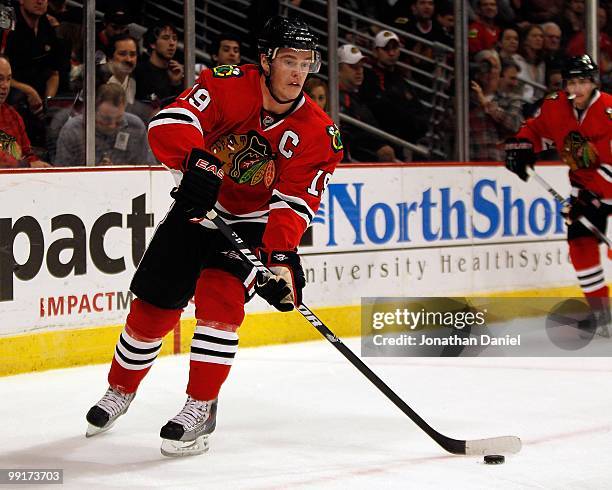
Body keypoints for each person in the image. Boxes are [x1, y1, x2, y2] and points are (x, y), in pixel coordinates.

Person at [85, 16, 343, 457]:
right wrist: (197, 164)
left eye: (306, 63)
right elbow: (170, 122)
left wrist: (280, 257)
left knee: (220, 302)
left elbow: (295, 200)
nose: (298, 73)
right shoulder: (226, 85)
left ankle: (201, 405)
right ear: (265, 60)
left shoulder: (319, 132)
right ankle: (120, 390)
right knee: (153, 307)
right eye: (288, 61)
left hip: (253, 223)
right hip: (197, 206)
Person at [505, 54, 612, 320]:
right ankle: (601, 313)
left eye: (582, 82)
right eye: (570, 83)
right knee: (579, 242)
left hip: (606, 187)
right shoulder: (555, 106)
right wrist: (522, 147)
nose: (575, 90)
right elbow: (534, 129)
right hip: (584, 191)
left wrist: (592, 199)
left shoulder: (610, 112)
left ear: (593, 82)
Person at [54, 83, 152, 166]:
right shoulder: (73, 130)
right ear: (93, 110)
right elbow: (61, 173)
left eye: (118, 120)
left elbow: (148, 168)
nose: (112, 125)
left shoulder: (135, 127)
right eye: (106, 119)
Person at [337, 43, 397, 162]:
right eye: (353, 67)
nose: (359, 71)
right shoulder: (331, 97)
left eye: (361, 66)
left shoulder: (356, 97)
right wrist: (377, 147)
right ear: (337, 69)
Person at [0, 54, 49, 167]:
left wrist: (37, 164)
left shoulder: (13, 115)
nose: (5, 86)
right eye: (0, 79)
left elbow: (27, 153)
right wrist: (28, 165)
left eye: (8, 79)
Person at [134, 21, 183, 103]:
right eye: (166, 38)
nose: (172, 43)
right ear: (153, 43)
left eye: (174, 39)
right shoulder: (139, 71)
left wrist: (176, 84)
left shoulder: (177, 74)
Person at [104, 33, 138, 105]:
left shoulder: (135, 80)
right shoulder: (96, 78)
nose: (129, 59)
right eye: (122, 54)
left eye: (132, 54)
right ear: (109, 57)